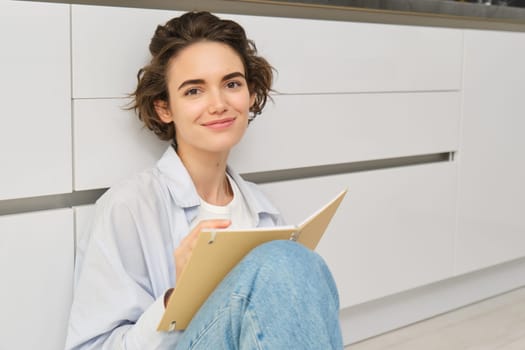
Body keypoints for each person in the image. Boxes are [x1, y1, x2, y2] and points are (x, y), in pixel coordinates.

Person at [65, 11, 343, 350]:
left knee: (305, 264)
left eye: (232, 84)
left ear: (250, 94)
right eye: (194, 91)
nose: (219, 104)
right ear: (165, 108)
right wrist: (176, 299)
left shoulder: (264, 212)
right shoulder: (129, 207)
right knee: (283, 262)